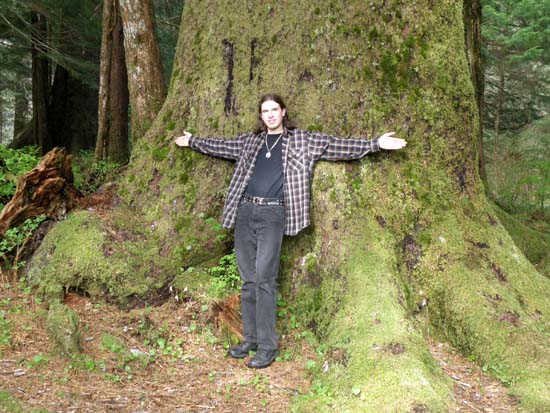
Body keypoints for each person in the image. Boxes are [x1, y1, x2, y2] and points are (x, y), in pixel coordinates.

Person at [175, 93, 406, 369]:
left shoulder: (303, 140)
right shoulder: (251, 141)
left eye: (274, 109)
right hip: (245, 211)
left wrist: (375, 144)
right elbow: (221, 146)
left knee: (265, 279)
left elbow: (339, 146)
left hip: (273, 214)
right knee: (248, 279)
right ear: (261, 116)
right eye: (265, 111)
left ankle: (268, 346)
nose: (270, 114)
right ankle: (250, 338)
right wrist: (192, 140)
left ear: (283, 112)